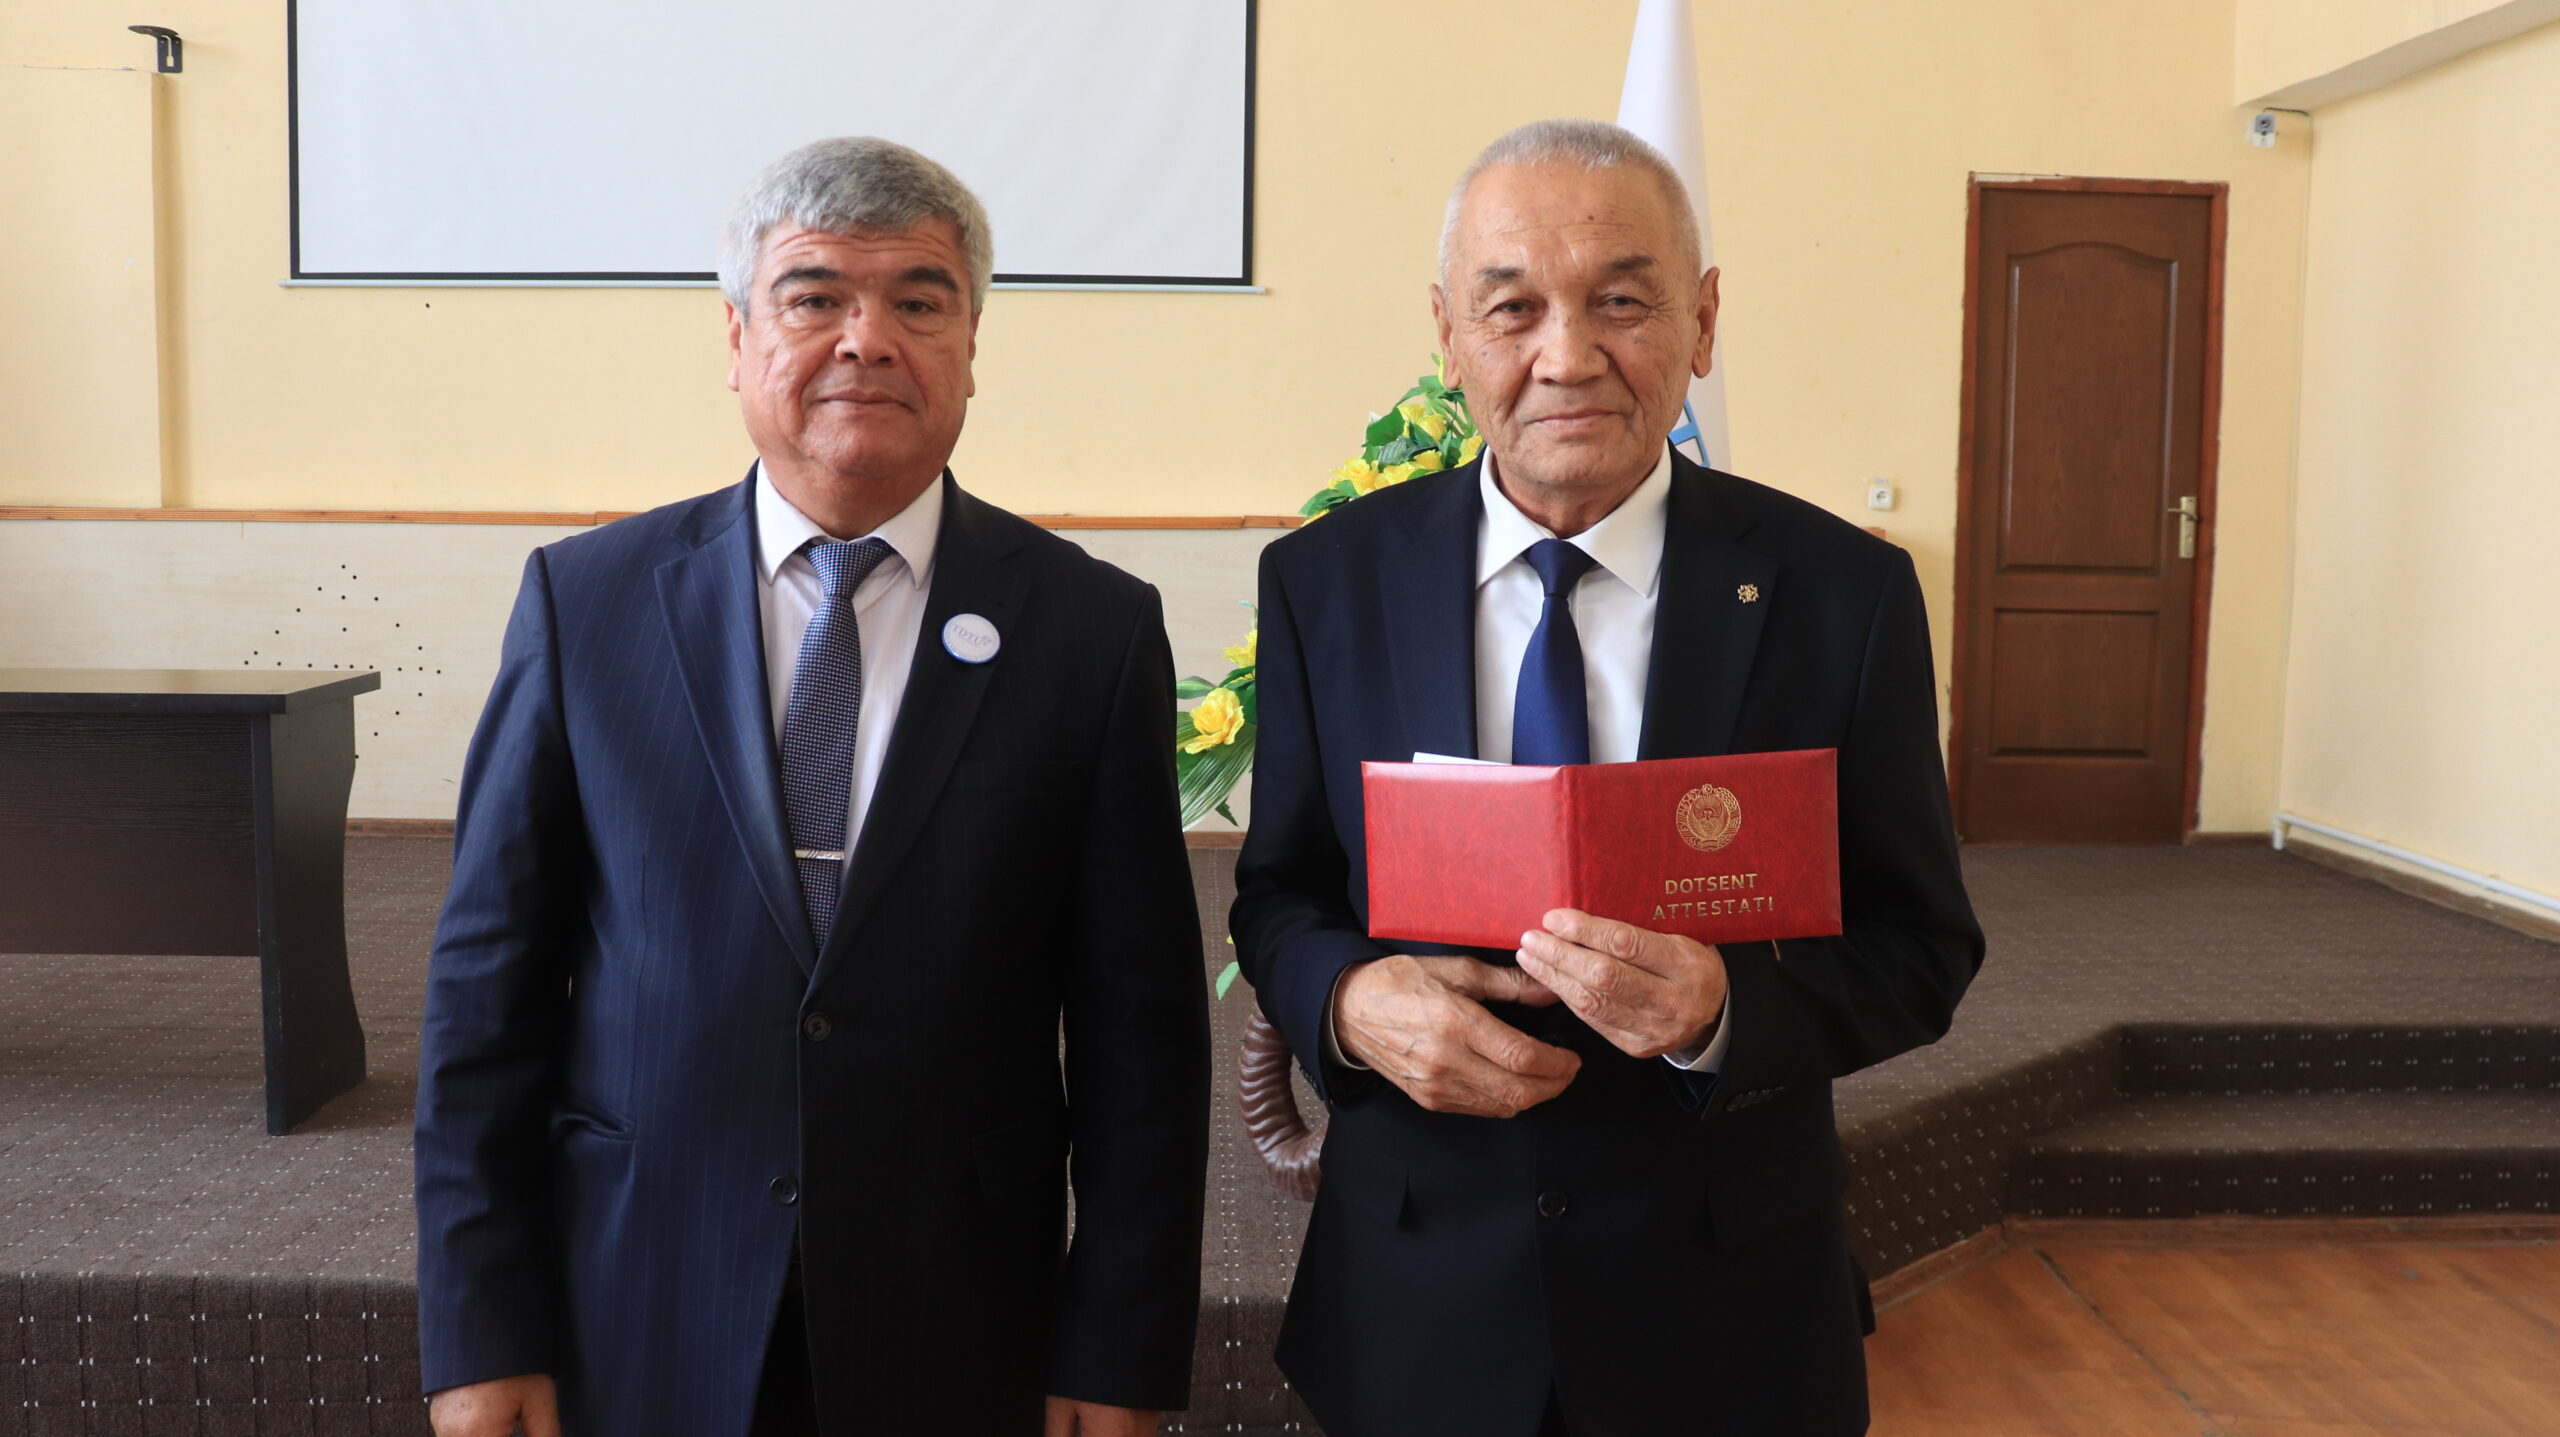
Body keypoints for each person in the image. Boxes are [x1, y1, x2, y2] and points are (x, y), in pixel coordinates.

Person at [415, 137, 1208, 1437]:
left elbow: (1144, 1043)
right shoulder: (587, 605)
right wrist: (480, 1328)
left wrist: (1118, 1349)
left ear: (970, 347)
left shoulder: (1090, 632)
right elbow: (482, 1001)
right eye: (814, 295)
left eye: (919, 300)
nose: (866, 339)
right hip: (643, 1291)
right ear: (736, 338)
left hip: (959, 1314)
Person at [1230, 118, 1985, 1436]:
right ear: (1448, 334)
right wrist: (1348, 1001)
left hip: (1726, 1311)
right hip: (1416, 1294)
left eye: (1622, 303)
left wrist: (1724, 1010)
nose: (1567, 355)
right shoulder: (1326, 582)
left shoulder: (1842, 596)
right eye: (1511, 307)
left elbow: (1921, 948)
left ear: (1704, 323)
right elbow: (1279, 894)